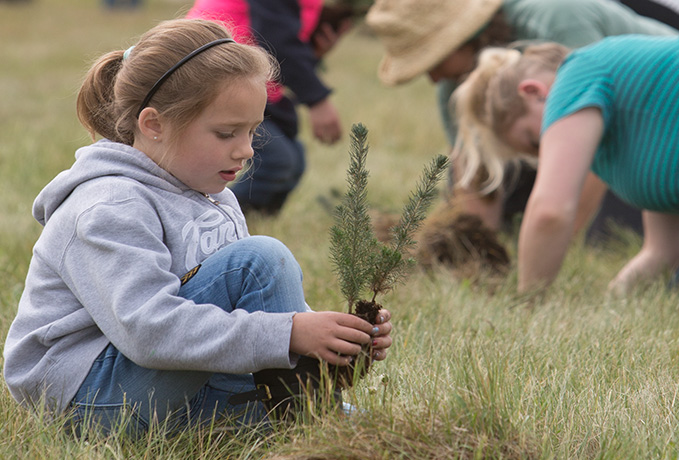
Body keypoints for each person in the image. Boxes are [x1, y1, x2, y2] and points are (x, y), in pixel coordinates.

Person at [2, 18, 392, 435]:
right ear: (153, 125)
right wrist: (290, 333)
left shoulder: (212, 193)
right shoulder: (107, 206)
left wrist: (331, 335)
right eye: (226, 132)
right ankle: (312, 413)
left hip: (163, 379)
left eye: (252, 130)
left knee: (285, 418)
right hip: (90, 399)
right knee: (259, 259)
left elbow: (249, 312)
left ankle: (310, 414)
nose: (245, 150)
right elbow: (149, 332)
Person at [366, 0, 679, 242]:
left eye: (433, 60)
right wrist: (480, 249)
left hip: (664, 131)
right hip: (563, 141)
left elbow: (590, 140)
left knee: (607, 237)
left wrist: (558, 241)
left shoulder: (557, 16)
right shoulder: (453, 83)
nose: (433, 78)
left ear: (464, 36)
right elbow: (476, 175)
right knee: (512, 225)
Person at [450, 35, 679, 294]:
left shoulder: (578, 74)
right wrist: (611, 302)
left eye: (535, 142)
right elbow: (667, 253)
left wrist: (527, 303)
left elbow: (551, 211)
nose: (546, 154)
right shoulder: (644, 131)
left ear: (534, 93)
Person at [187, 0, 351, 215]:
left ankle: (257, 220)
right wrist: (317, 100)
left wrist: (313, 53)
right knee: (277, 161)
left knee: (294, 161)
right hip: (210, 80)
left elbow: (281, 36)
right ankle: (213, 220)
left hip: (244, 82)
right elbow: (278, 42)